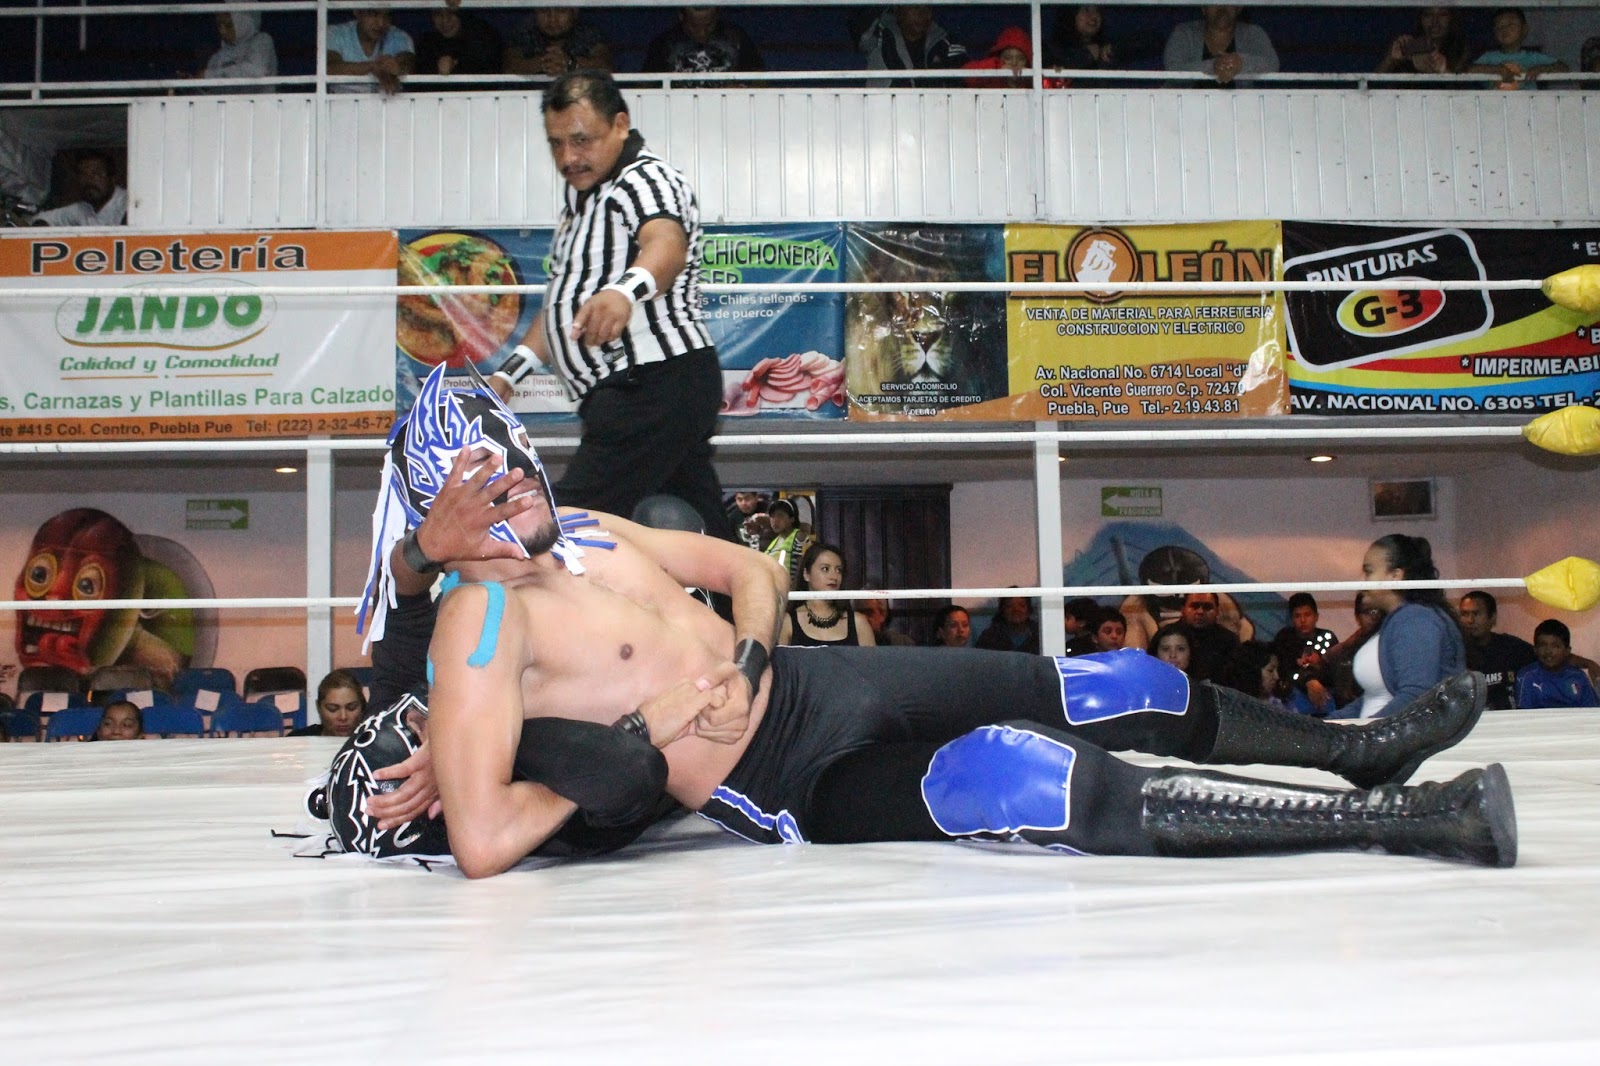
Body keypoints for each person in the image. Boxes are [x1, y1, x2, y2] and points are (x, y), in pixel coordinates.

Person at [331, 369, 1516, 877]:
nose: (513, 490)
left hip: (812, 682)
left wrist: (747, 652)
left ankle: (1363, 748)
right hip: (786, 778)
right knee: (1021, 776)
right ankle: (1402, 819)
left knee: (1117, 680)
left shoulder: (593, 527)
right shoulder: (480, 618)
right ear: (439, 515)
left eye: (513, 465)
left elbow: (747, 569)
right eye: (480, 488)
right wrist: (624, 752)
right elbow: (480, 839)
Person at [499, 71, 732, 544]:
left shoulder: (644, 178)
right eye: (556, 144)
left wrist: (625, 292)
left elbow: (666, 244)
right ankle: (753, 589)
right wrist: (508, 375)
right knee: (706, 532)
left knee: (566, 523)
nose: (568, 158)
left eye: (581, 140)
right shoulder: (581, 202)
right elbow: (561, 304)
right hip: (640, 389)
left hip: (652, 381)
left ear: (621, 125)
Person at [1332, 534, 1465, 720]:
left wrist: (1366, 731)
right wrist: (1329, 724)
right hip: (1385, 734)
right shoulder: (1398, 620)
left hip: (1399, 737)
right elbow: (1373, 698)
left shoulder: (1416, 620)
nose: (1361, 581)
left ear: (1395, 576)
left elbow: (1416, 697)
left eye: (1368, 572)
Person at [781, 543, 875, 648]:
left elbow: (871, 658)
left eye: (838, 570)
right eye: (825, 569)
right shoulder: (787, 622)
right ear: (806, 574)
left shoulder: (858, 622)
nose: (834, 576)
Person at [1163, 5, 1279, 87]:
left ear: (1239, 8)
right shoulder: (1184, 33)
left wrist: (1240, 63)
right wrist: (1213, 67)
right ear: (1203, 8)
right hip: (1187, 109)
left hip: (1241, 110)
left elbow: (1272, 64)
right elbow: (1173, 69)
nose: (1222, 6)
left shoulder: (1253, 33)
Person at [1458, 591, 1536, 711]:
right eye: (1465, 614)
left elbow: (1547, 659)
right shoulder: (1454, 651)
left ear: (1493, 617)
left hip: (1507, 719)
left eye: (1476, 614)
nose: (1470, 620)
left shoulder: (1511, 647)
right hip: (1469, 720)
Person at [855, 5, 968, 85]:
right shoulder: (878, 37)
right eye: (916, 7)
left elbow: (964, 77)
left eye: (927, 8)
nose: (923, 14)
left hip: (934, 109)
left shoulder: (946, 42)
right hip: (886, 108)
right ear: (898, 9)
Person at [643, 6, 765, 76]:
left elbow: (759, 79)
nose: (702, 33)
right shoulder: (664, 44)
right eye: (694, 27)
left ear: (717, 16)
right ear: (681, 17)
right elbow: (646, 85)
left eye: (709, 26)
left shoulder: (736, 38)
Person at [1270, 592, 1338, 715]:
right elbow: (1283, 670)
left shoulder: (1327, 637)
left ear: (1316, 616)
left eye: (1307, 615)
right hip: (1293, 694)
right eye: (1297, 616)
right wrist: (1308, 680)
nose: (1303, 620)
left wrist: (1318, 666)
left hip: (1325, 694)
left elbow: (1334, 672)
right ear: (1291, 619)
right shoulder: (1284, 637)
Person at [1469, 7, 1566, 89]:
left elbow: (1563, 68)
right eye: (1499, 26)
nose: (1504, 29)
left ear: (1524, 29)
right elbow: (1469, 70)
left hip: (1527, 104)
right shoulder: (1490, 57)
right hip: (1495, 104)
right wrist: (1496, 69)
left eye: (1511, 24)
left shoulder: (1533, 58)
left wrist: (1541, 69)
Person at [326, 8, 415, 95]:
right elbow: (329, 67)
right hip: (341, 103)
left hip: (388, 103)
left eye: (387, 16)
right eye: (373, 14)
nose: (381, 23)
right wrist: (372, 66)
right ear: (357, 12)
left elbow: (408, 63)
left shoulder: (399, 36)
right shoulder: (336, 33)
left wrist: (395, 67)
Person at [503, 6, 612, 76]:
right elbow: (508, 67)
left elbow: (606, 66)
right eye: (544, 10)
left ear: (574, 12)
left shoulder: (588, 33)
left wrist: (571, 63)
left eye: (560, 11)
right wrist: (543, 63)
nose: (552, 19)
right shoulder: (523, 33)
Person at [1514, 620, 1599, 709]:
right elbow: (1523, 714)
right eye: (1543, 645)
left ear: (1567, 651)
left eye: (1555, 646)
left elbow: (1592, 711)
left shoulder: (1578, 677)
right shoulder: (1527, 677)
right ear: (1535, 649)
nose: (1548, 651)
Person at [30, 150, 126, 227]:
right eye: (83, 175)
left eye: (96, 174)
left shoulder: (128, 202)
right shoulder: (83, 208)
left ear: (112, 179)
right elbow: (40, 218)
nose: (89, 180)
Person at [415, 3, 504, 78]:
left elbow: (488, 70)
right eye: (438, 13)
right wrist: (437, 70)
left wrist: (456, 66)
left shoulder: (483, 34)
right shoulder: (427, 42)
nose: (445, 20)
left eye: (451, 12)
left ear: (462, 13)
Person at [1376, 5, 1471, 76]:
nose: (1435, 22)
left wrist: (1444, 71)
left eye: (1442, 14)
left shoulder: (1460, 50)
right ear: (1420, 19)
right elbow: (1371, 85)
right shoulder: (1409, 46)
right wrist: (1390, 60)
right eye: (1428, 15)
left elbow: (1463, 90)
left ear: (1451, 18)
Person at [199, 3, 278, 84]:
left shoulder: (262, 41)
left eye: (229, 25)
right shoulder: (218, 57)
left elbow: (255, 71)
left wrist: (210, 75)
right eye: (219, 25)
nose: (222, 31)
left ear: (243, 22)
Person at [1175, 591, 1238, 682]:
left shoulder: (1229, 640)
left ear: (1217, 611)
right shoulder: (1166, 636)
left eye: (1207, 607)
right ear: (1183, 609)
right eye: (1194, 606)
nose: (1200, 612)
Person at [290, 670, 368, 738]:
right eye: (333, 709)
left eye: (351, 708)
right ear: (319, 707)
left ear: (363, 706)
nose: (343, 717)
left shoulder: (373, 743)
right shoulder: (297, 741)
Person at [962, 26, 1033, 89]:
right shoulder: (991, 78)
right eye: (1008, 58)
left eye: (1020, 58)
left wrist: (1029, 75)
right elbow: (966, 75)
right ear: (999, 58)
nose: (1014, 63)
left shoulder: (1032, 82)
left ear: (1027, 62)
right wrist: (998, 67)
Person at [761, 499, 809, 588]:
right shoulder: (774, 541)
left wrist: (794, 589)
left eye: (780, 516)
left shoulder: (799, 537)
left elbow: (803, 566)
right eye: (772, 516)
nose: (775, 520)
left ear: (792, 518)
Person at [975, 592, 1041, 655]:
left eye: (1022, 605)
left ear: (1029, 610)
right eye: (1009, 606)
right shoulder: (989, 638)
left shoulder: (1040, 635)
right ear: (1002, 611)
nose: (1016, 610)